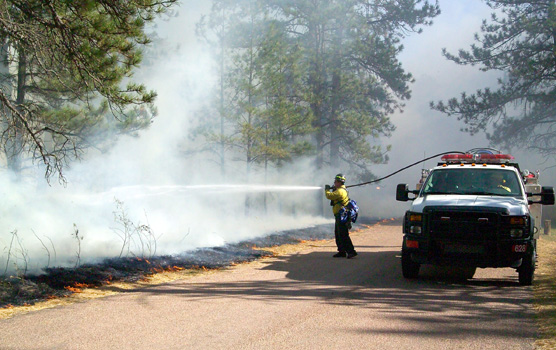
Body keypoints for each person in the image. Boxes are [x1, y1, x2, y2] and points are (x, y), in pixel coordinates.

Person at [325, 173, 357, 259]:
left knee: (343, 234)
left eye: (336, 181)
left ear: (339, 182)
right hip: (339, 215)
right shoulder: (339, 190)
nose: (334, 183)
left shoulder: (340, 191)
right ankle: (342, 251)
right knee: (338, 234)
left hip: (342, 216)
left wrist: (327, 190)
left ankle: (351, 252)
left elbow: (329, 196)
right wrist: (333, 189)